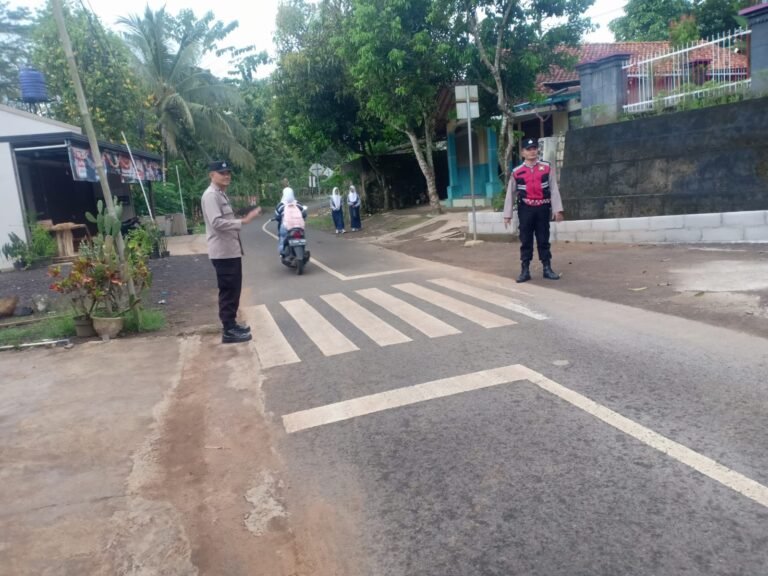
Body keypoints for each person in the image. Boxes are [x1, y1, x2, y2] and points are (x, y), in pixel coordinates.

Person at [201, 160, 262, 344]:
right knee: (228, 290)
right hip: (223, 252)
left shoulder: (220, 194)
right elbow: (217, 223)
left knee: (234, 289)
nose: (226, 175)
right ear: (212, 175)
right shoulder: (211, 195)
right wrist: (243, 221)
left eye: (228, 172)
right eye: (222, 173)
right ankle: (228, 330)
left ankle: (232, 324)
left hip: (230, 250)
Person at [503, 137, 565, 283]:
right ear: (522, 152)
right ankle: (525, 270)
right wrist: (507, 215)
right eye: (528, 149)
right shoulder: (517, 172)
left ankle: (547, 268)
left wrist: (558, 210)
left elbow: (554, 189)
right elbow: (510, 193)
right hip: (526, 210)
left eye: (534, 148)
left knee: (544, 239)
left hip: (543, 208)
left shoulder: (547, 167)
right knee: (526, 240)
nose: (532, 151)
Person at [274, 187, 307, 255]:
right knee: (302, 236)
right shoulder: (298, 204)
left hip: (286, 227)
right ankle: (303, 249)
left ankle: (282, 251)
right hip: (299, 227)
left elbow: (277, 217)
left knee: (282, 237)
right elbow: (304, 214)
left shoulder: (280, 205)